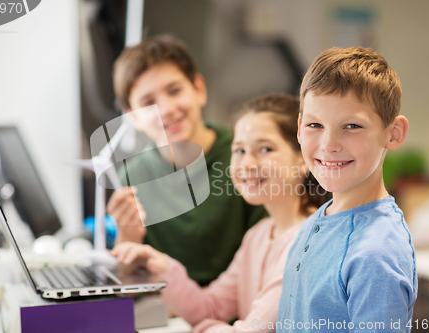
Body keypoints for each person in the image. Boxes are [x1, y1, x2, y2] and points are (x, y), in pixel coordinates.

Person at [110, 94, 331, 332]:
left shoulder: (310, 242)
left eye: (265, 149)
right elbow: (212, 308)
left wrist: (204, 328)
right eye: (239, 150)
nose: (247, 164)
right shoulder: (259, 235)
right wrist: (161, 266)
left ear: (303, 157)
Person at [107, 34, 267, 286]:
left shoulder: (247, 157)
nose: (167, 109)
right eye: (148, 103)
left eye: (175, 90)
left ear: (199, 89)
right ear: (133, 117)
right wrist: (127, 238)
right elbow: (130, 286)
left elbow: (271, 260)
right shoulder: (132, 178)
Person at [277, 47, 417, 332]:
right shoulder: (317, 221)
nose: (329, 144)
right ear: (300, 127)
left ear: (393, 133)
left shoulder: (376, 253)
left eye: (352, 126)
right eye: (316, 124)